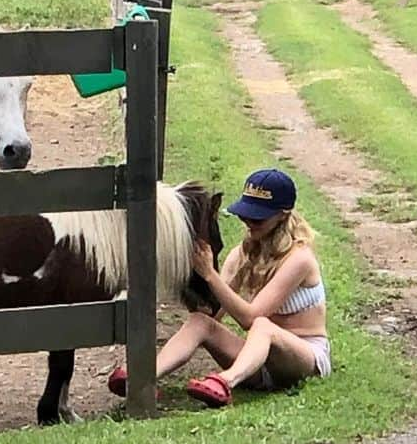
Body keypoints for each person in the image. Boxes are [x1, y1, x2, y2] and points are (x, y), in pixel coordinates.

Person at [108, 168, 331, 407]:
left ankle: (225, 381)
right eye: (245, 216)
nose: (249, 224)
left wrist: (210, 274)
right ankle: (143, 377)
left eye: (258, 218)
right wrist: (195, 287)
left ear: (282, 215)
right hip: (258, 361)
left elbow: (250, 318)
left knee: (262, 325)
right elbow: (216, 313)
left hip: (304, 359)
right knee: (200, 322)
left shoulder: (299, 259)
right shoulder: (243, 253)